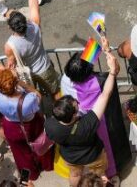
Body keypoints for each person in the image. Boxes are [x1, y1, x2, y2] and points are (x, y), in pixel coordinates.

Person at [46, 46, 120, 186]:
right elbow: (106, 94)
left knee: (74, 174)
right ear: (75, 114)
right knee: (101, 171)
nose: (76, 102)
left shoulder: (50, 125)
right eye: (75, 105)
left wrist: (100, 46)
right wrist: (107, 52)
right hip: (94, 152)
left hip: (71, 158)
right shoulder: (88, 123)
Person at [0, 68, 55, 183]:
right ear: (14, 84)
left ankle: (28, 177)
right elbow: (38, 96)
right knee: (41, 143)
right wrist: (21, 82)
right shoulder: (28, 100)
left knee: (20, 154)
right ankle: (45, 165)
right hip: (31, 126)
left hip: (11, 128)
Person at [2, 0, 56, 94]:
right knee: (55, 93)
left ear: (10, 27)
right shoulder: (35, 25)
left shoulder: (10, 45)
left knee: (34, 97)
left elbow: (11, 64)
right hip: (45, 68)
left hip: (28, 75)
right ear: (25, 21)